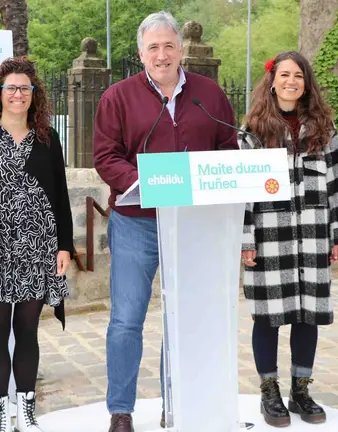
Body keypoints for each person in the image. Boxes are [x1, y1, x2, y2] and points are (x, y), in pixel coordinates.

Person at [93, 11, 238, 432]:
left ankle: (175, 402)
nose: (161, 54)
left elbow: (227, 146)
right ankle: (121, 410)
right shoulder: (117, 97)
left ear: (180, 51)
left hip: (193, 224)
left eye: (168, 46)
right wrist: (143, 183)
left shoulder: (208, 95)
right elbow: (105, 156)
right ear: (141, 53)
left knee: (182, 317)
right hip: (136, 221)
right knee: (127, 318)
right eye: (153, 47)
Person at [0, 57, 73, 432]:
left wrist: (64, 246)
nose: (18, 94)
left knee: (27, 330)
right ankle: (1, 416)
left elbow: (61, 198)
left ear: (34, 95)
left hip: (38, 248)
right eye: (11, 88)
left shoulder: (48, 139)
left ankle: (27, 410)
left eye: (25, 88)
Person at [239, 51, 338, 427]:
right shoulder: (252, 130)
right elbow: (243, 194)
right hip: (270, 237)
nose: (291, 81)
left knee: (308, 316)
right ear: (272, 81)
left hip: (314, 235)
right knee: (268, 317)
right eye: (285, 74)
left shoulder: (324, 127)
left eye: (299, 76)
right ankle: (269, 392)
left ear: (306, 83)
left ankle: (300, 390)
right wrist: (246, 240)